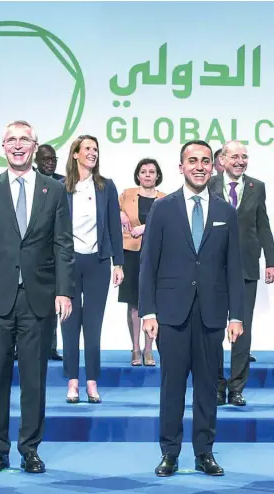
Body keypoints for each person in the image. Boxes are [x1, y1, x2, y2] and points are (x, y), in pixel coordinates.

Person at [0, 120, 74, 474]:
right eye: (11, 139)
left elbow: (62, 245)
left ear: (35, 146)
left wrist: (64, 290)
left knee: (33, 379)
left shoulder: (54, 191)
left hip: (38, 298)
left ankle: (30, 449)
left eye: (23, 139)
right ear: (2, 146)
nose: (17, 145)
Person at [139, 140, 244, 477]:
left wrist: (237, 315)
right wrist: (148, 311)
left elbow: (233, 267)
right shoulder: (163, 207)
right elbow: (148, 263)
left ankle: (205, 453)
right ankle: (169, 453)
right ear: (180, 166)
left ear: (214, 166)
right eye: (192, 160)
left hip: (212, 314)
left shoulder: (226, 212)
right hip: (170, 314)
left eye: (204, 161)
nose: (199, 166)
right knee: (172, 387)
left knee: (207, 389)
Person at [209, 140, 274, 406]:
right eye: (234, 156)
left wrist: (271, 260)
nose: (240, 161)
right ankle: (215, 384)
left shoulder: (256, 186)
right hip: (212, 268)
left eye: (244, 157)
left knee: (242, 328)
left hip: (246, 266)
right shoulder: (208, 184)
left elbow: (263, 225)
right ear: (222, 160)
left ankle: (236, 387)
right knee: (212, 328)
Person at [61, 135, 124, 404]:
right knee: (69, 324)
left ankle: (91, 382)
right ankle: (72, 382)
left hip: (98, 262)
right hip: (69, 262)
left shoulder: (106, 186)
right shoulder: (60, 187)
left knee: (93, 324)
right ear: (75, 153)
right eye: (87, 148)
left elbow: (113, 225)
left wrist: (118, 262)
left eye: (96, 149)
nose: (92, 153)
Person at [118, 158, 166, 366]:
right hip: (131, 253)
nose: (147, 175)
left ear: (158, 176)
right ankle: (135, 348)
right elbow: (111, 209)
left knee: (153, 302)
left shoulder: (166, 199)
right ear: (138, 175)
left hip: (157, 253)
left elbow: (166, 223)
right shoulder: (127, 194)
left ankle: (149, 350)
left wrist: (145, 228)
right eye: (143, 171)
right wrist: (120, 213)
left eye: (151, 172)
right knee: (133, 302)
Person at [34, 143, 64, 361]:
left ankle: (50, 346)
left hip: (56, 252)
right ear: (36, 161)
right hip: (33, 251)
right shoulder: (29, 182)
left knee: (53, 302)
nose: (50, 162)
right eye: (45, 159)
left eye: (53, 159)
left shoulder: (64, 183)